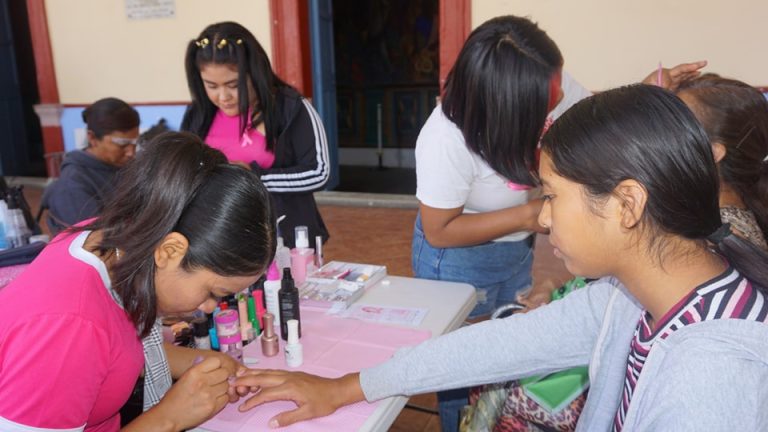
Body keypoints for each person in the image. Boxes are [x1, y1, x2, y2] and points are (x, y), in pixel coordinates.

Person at [233, 85, 768, 431]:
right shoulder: (635, 294)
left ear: (627, 204)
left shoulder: (710, 382)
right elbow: (506, 343)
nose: (543, 216)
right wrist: (346, 387)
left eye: (554, 195)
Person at [0, 132, 276, 431]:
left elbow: (109, 351)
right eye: (212, 292)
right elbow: (84, 346)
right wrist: (169, 418)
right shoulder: (69, 325)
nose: (209, 308)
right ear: (170, 251)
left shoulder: (107, 241)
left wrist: (192, 361)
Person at [182, 21, 329, 249]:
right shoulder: (198, 114)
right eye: (211, 86)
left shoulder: (290, 109)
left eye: (233, 85)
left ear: (255, 73)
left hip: (283, 238)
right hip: (218, 237)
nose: (223, 97)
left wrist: (254, 177)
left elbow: (318, 172)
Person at [675, 74, 768, 250]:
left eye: (673, 127)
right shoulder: (724, 214)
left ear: (713, 152)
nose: (657, 137)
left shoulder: (710, 239)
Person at [42, 97, 139, 233]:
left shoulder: (127, 167)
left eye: (134, 143)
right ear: (92, 138)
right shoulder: (72, 185)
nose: (131, 152)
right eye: (122, 144)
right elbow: (91, 242)